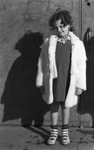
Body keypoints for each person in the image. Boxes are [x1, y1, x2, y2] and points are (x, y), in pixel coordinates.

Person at [36, 9, 87, 145]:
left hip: (68, 80)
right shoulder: (49, 42)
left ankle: (65, 132)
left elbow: (81, 66)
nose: (59, 29)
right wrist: (41, 83)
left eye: (62, 26)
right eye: (56, 27)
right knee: (53, 104)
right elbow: (42, 63)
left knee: (66, 105)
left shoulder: (77, 43)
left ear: (69, 24)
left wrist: (80, 85)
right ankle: (53, 132)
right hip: (53, 80)